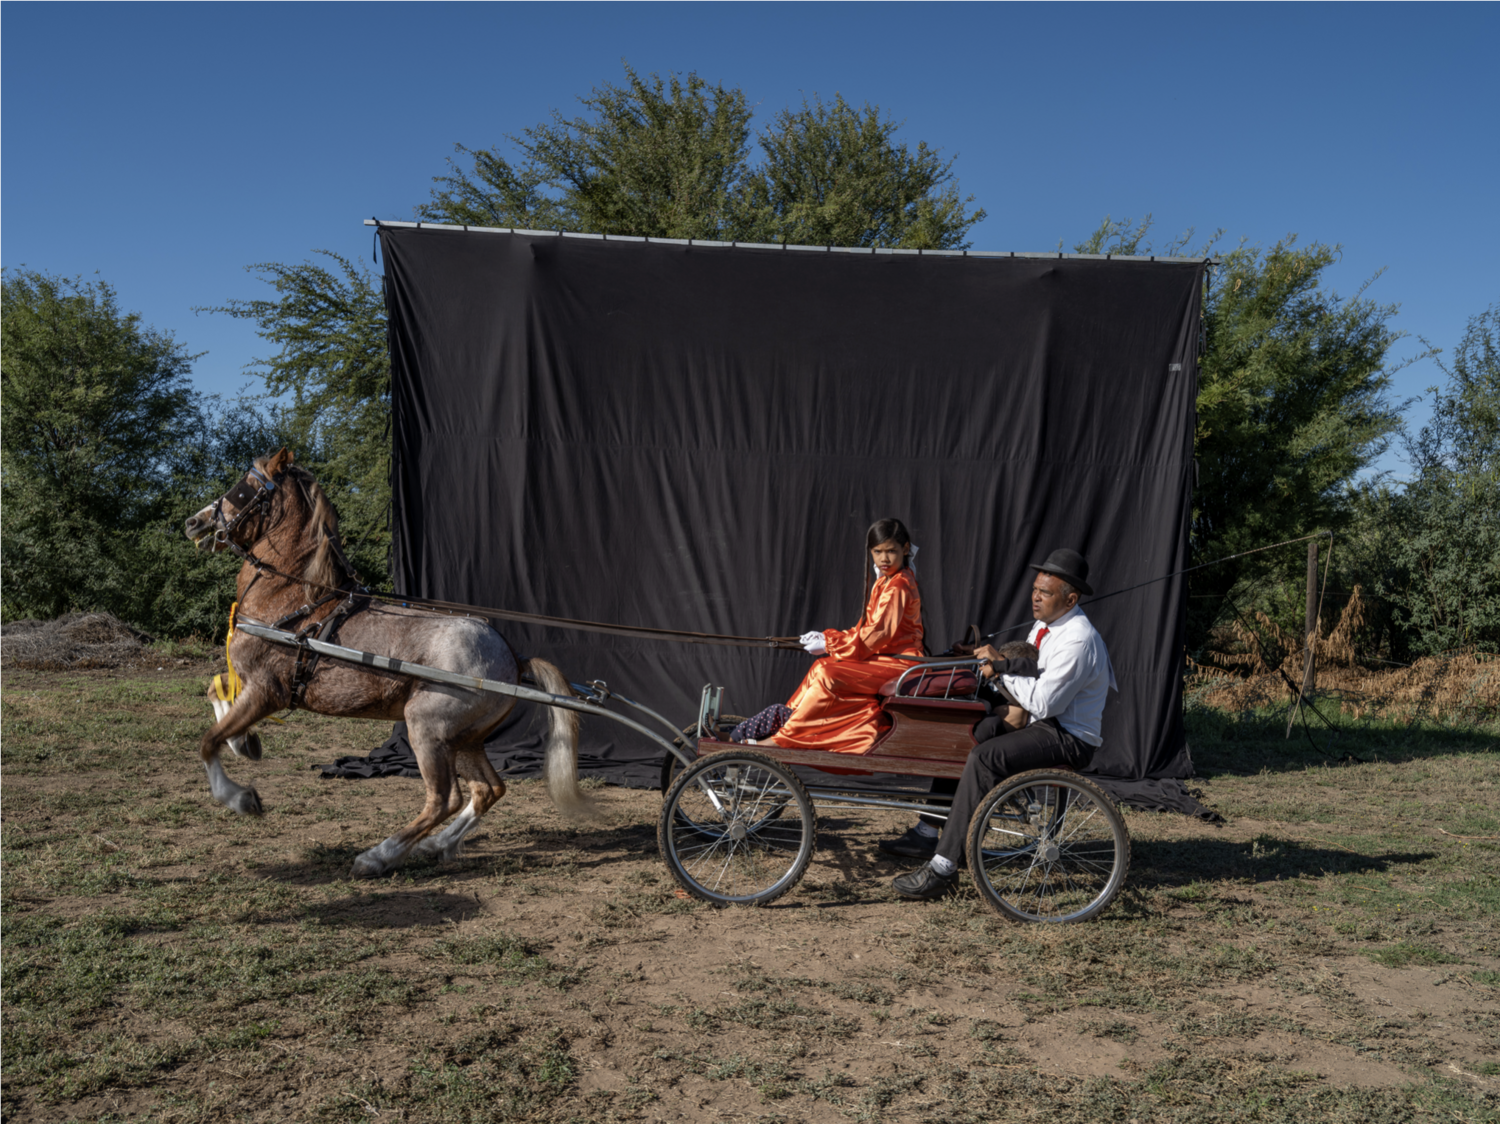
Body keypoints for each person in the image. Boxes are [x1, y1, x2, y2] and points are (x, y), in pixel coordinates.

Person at [889, 548, 1117, 900]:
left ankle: (943, 869)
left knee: (985, 757)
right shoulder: (1046, 625)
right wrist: (982, 654)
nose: (1035, 597)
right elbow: (1026, 667)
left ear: (1070, 599)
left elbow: (1044, 702)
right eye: (1034, 589)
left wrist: (998, 669)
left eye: (1045, 592)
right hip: (1041, 721)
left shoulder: (1078, 640)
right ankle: (927, 829)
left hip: (1067, 734)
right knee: (964, 737)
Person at [762, 518, 925, 754]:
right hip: (885, 657)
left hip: (902, 662)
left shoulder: (899, 585)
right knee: (820, 667)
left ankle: (784, 739)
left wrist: (830, 643)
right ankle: (785, 724)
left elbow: (876, 635)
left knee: (829, 674)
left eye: (891, 551)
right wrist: (827, 636)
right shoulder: (885, 582)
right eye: (878, 552)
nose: (884, 559)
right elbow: (865, 629)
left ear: (906, 549)